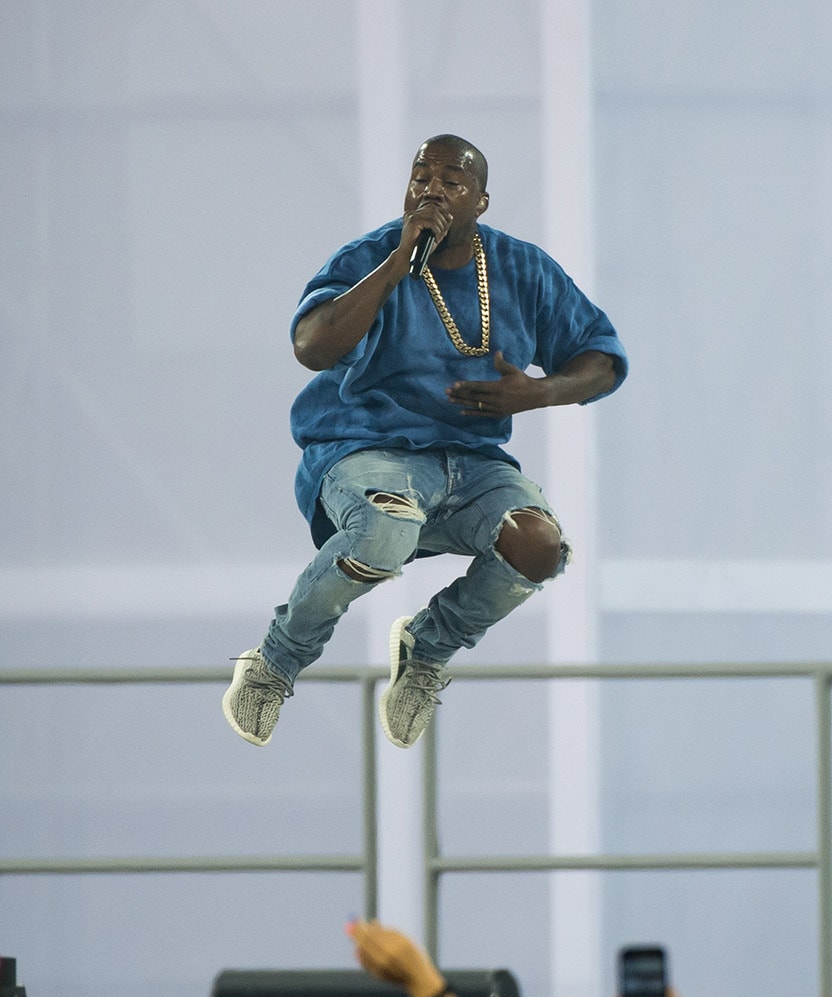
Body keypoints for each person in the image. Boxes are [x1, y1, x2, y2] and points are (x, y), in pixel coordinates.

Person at [223, 132, 627, 750]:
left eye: (451, 182)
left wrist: (538, 393)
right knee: (387, 530)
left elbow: (605, 361)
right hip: (363, 449)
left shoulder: (521, 269)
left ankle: (426, 652)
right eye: (421, 177)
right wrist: (397, 263)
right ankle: (275, 663)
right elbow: (312, 347)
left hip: (470, 462)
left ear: (481, 202)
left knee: (540, 545)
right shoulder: (371, 256)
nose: (432, 189)